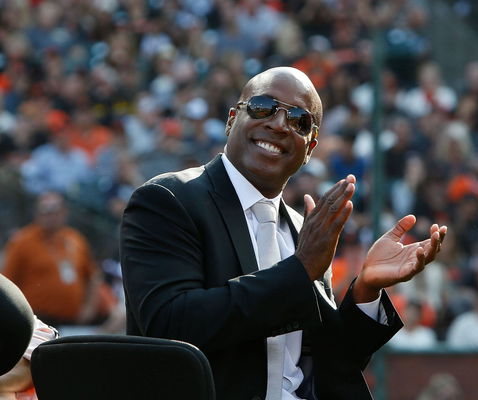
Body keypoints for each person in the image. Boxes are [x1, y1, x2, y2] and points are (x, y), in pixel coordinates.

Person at [120, 66, 446, 399]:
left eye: (298, 120)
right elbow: (168, 327)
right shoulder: (168, 199)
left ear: (310, 148)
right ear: (232, 119)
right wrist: (300, 269)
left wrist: (365, 290)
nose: (279, 124)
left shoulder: (306, 229)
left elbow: (330, 362)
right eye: (263, 107)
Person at [3, 192, 104, 327]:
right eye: (44, 210)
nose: (49, 216)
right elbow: (6, 283)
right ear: (36, 213)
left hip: (71, 322)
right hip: (37, 322)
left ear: (64, 212)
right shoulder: (22, 241)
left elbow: (93, 277)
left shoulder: (75, 239)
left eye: (54, 210)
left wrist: (89, 308)